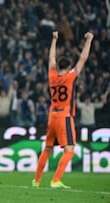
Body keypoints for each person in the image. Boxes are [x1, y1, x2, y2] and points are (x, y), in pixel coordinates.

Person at [32, 31, 94, 188]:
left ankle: (37, 181)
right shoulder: (70, 77)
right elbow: (83, 59)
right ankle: (56, 180)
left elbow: (51, 58)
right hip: (64, 116)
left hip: (52, 116)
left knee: (47, 149)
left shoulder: (52, 75)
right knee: (70, 150)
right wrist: (89, 40)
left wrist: (54, 40)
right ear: (68, 67)